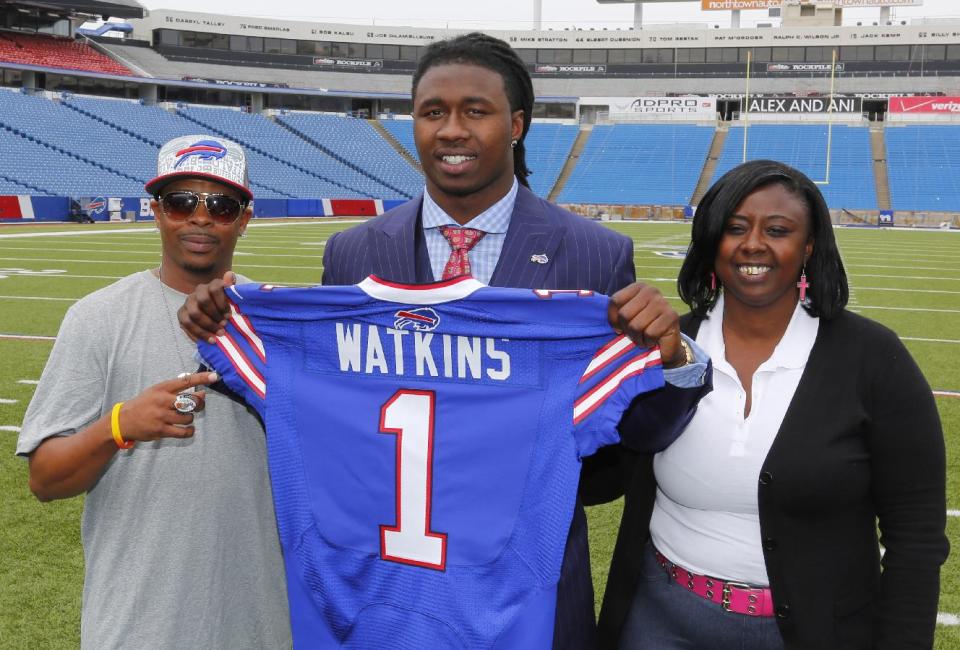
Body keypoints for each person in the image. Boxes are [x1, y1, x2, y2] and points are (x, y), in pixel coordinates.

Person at [178, 32, 711, 648]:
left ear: (516, 124)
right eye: (433, 112)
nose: (451, 129)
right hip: (379, 590)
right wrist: (223, 332)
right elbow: (325, 409)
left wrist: (669, 357)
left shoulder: (595, 252)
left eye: (474, 111)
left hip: (520, 591)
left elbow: (634, 438)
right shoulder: (353, 251)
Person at [598, 159, 948, 649]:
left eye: (777, 229)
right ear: (711, 241)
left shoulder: (874, 358)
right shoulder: (663, 345)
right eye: (735, 227)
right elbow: (602, 477)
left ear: (808, 247)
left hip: (813, 630)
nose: (753, 243)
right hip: (661, 619)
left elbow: (915, 535)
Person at [17, 135, 292, 649]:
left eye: (222, 205)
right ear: (156, 212)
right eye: (181, 201)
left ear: (245, 219)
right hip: (138, 625)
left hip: (260, 623)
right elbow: (45, 478)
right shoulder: (98, 317)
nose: (201, 218)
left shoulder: (275, 324)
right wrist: (119, 425)